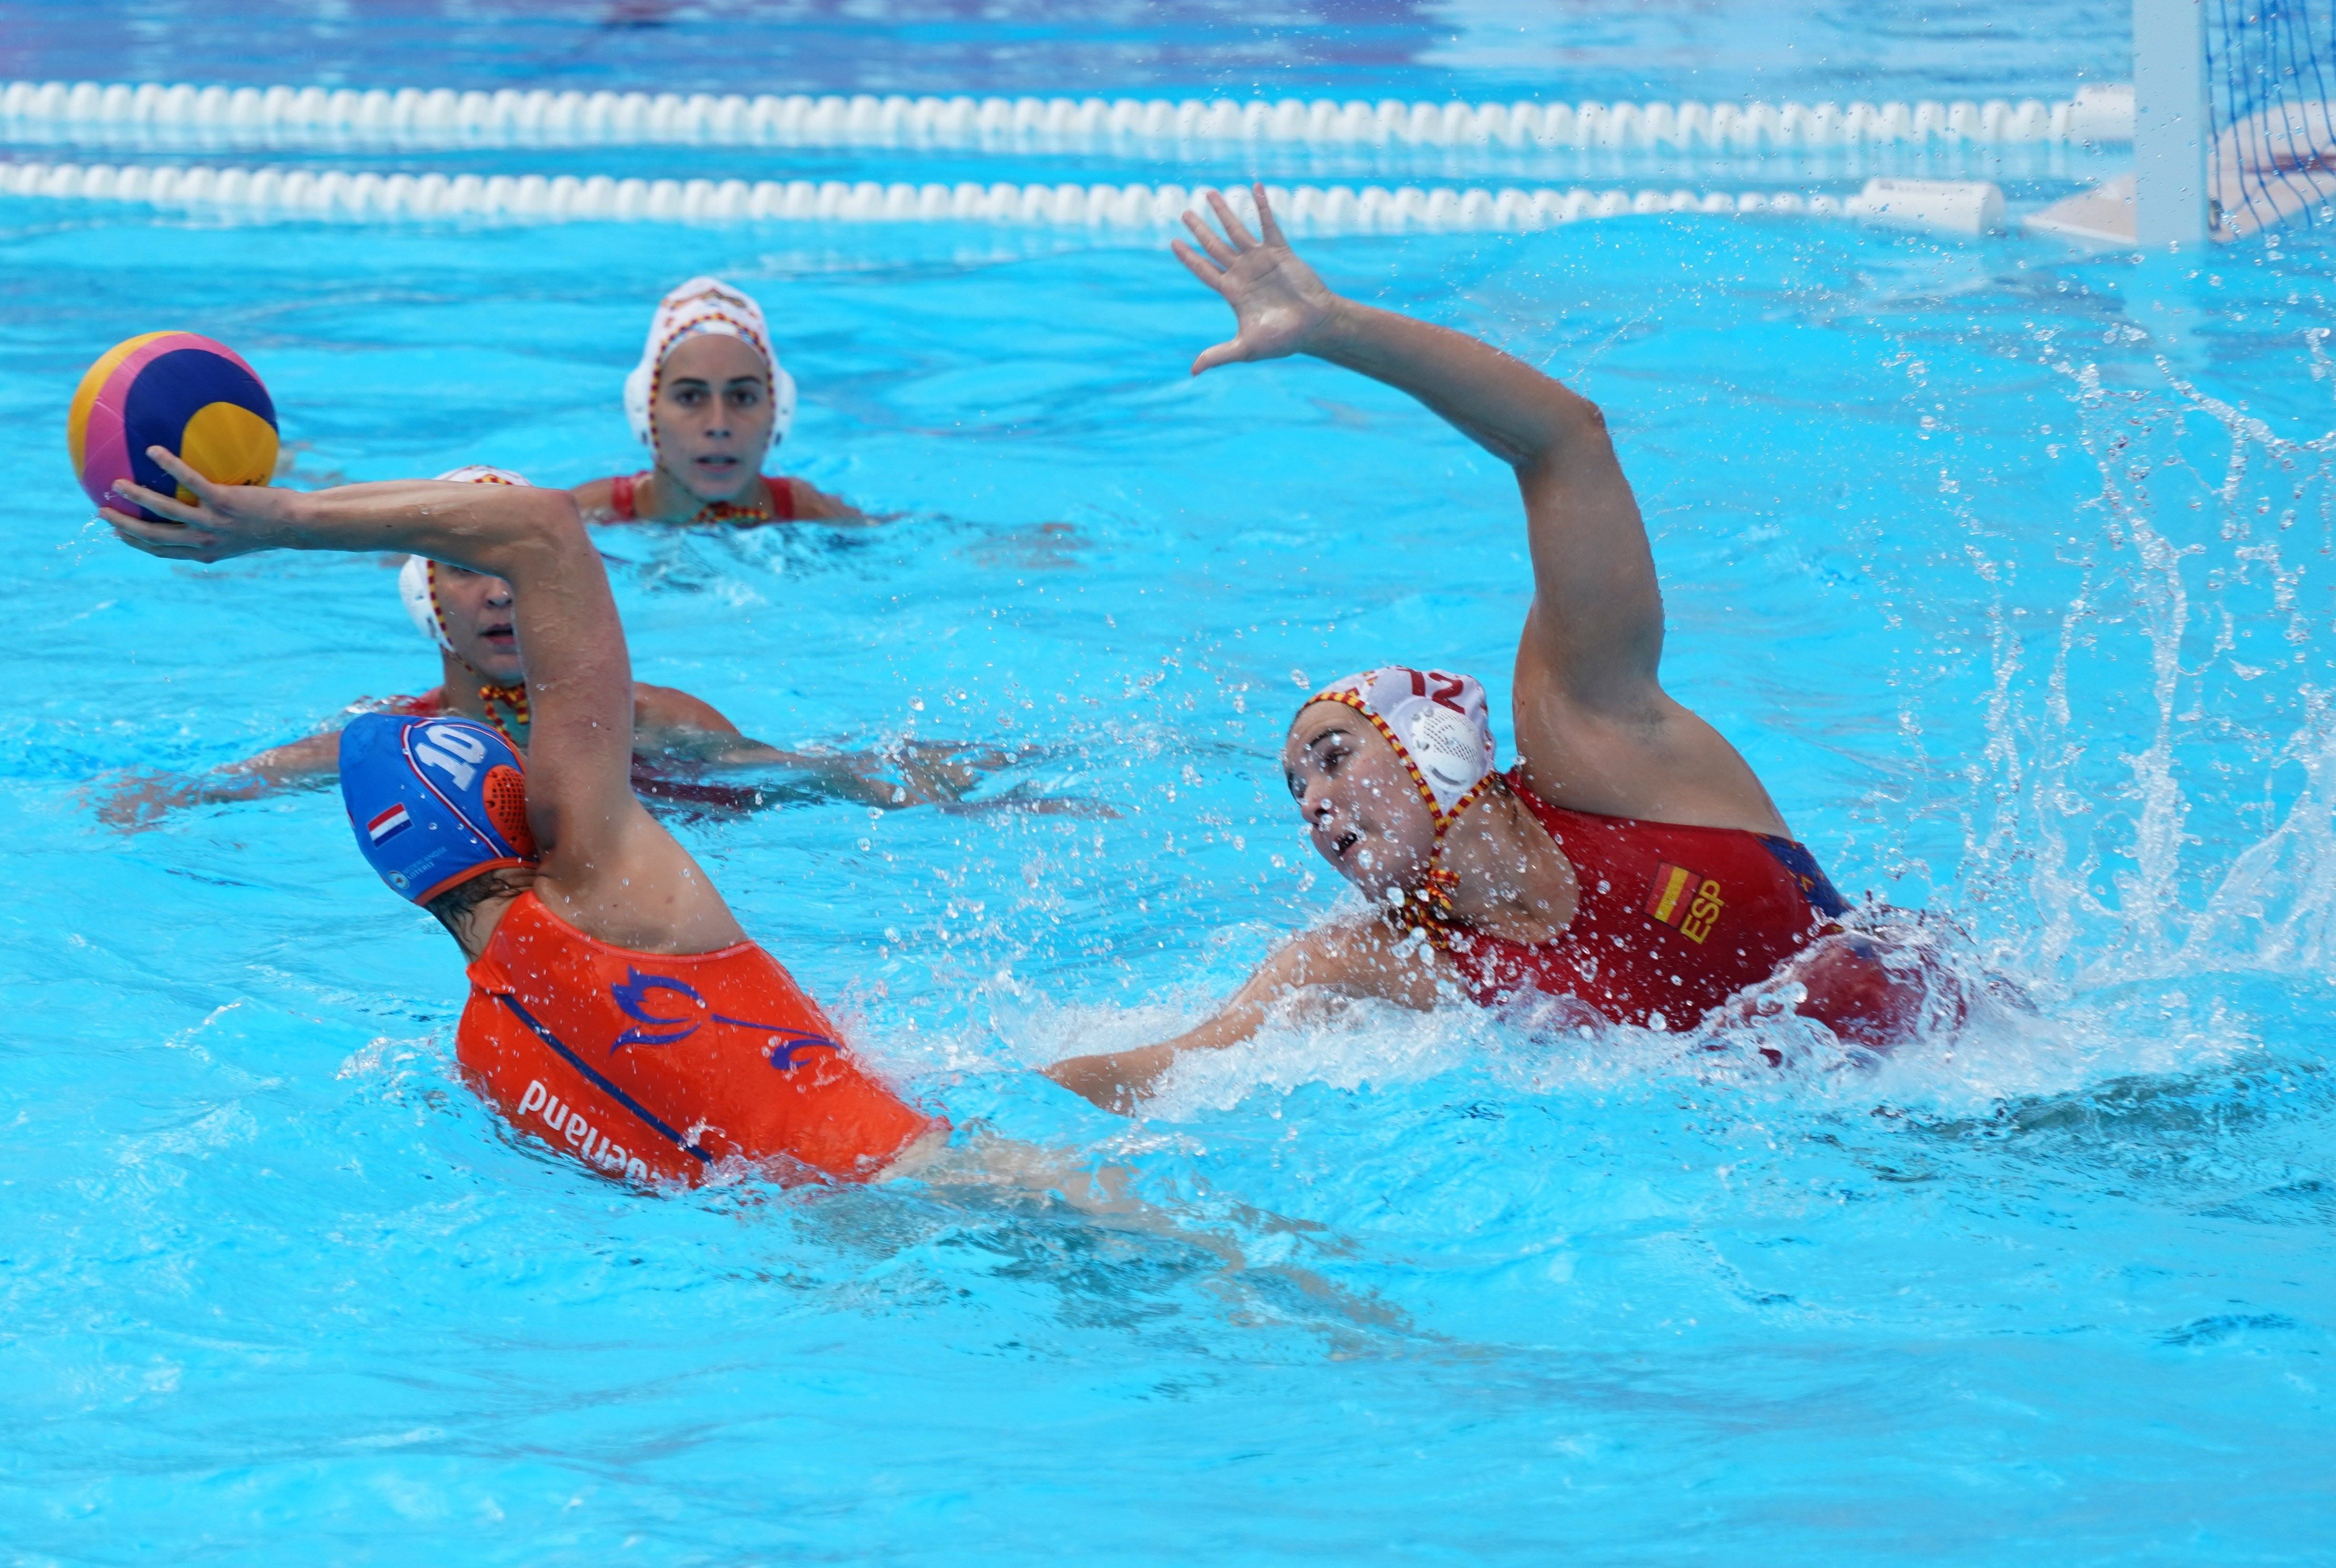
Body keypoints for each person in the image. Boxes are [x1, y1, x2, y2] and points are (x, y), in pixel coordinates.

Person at [1044, 187, 1930, 1113]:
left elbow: (1564, 445)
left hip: (1983, 1080)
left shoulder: (1601, 747)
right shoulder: (1376, 959)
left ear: (1432, 738)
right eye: (1297, 790)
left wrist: (1332, 326)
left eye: (1334, 756)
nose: (1314, 804)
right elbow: (1177, 1065)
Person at [102, 450, 940, 1185]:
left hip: (811, 1255)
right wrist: (283, 518)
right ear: (510, 799)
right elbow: (541, 529)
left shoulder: (483, 1056)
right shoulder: (602, 883)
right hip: (931, 1180)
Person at [97, 465, 996, 826]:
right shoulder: (396, 738)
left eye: (509, 574)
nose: (497, 590)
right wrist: (178, 794)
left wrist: (898, 786)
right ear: (430, 605)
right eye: (462, 570)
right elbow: (269, 773)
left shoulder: (649, 719)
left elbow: (788, 774)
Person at [571, 277, 861, 526]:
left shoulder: (819, 518)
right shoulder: (581, 522)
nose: (718, 425)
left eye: (742, 398)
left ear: (779, 412)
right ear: (644, 411)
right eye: (690, 397)